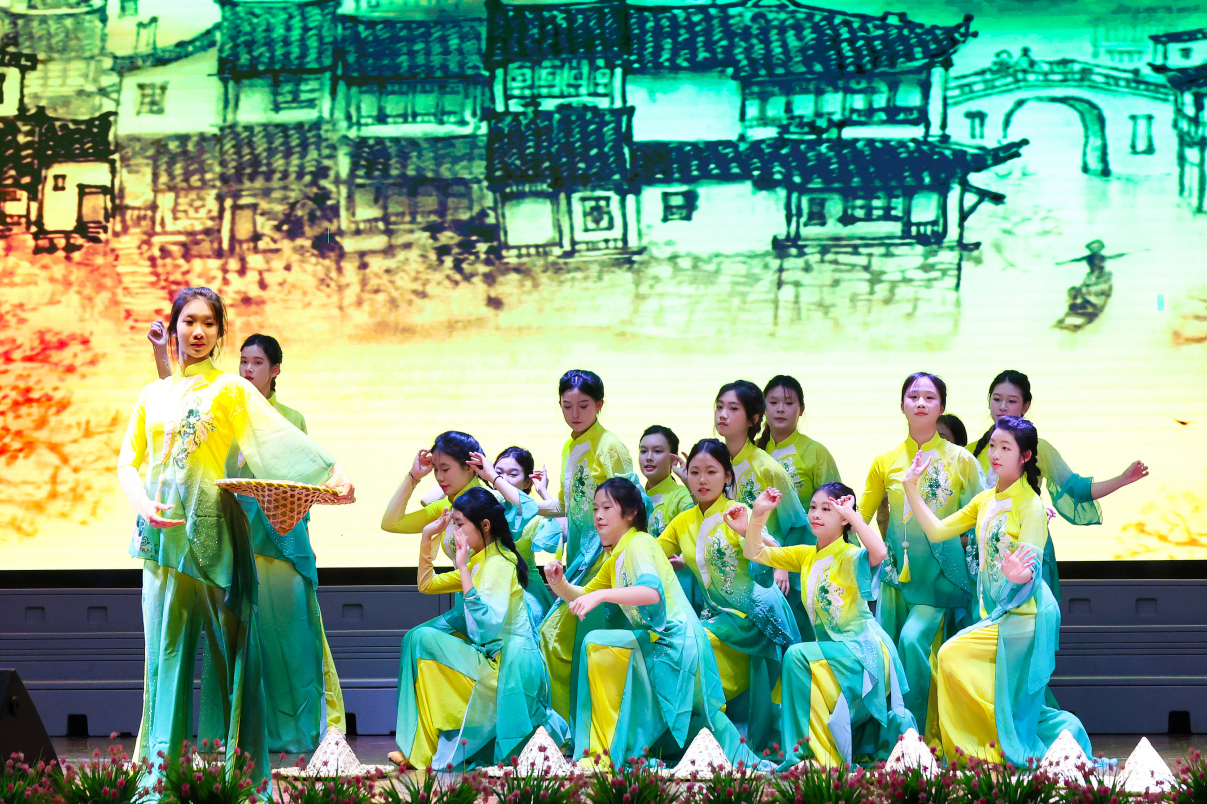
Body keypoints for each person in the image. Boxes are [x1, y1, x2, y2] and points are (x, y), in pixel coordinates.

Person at [118, 288, 353, 789]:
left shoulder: (231, 390)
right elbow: (128, 462)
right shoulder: (152, 394)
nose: (198, 331)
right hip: (161, 544)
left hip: (215, 537)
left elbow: (278, 442)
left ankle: (243, 781)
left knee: (234, 661)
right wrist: (141, 503)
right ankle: (159, 782)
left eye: (209, 323)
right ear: (174, 327)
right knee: (164, 661)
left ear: (220, 332)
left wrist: (331, 472)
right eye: (189, 321)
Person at [903, 416, 1091, 764]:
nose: (995, 454)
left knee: (951, 655)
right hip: (997, 616)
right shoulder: (985, 500)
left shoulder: (1031, 506)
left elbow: (1031, 569)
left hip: (1024, 617)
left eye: (1006, 447)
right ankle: (1059, 735)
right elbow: (937, 531)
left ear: (1025, 456)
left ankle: (974, 754)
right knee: (1008, 699)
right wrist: (910, 486)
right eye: (992, 446)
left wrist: (1018, 575)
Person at [544, 478, 764, 769]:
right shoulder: (618, 554)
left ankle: (606, 754)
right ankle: (609, 751)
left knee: (597, 643)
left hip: (675, 643)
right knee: (598, 643)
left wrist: (601, 596)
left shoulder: (639, 543)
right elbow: (583, 594)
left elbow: (650, 593)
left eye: (607, 508)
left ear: (631, 512)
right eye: (595, 508)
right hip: (662, 642)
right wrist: (559, 583)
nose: (598, 515)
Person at [731, 485, 914, 767]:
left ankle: (805, 755)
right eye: (813, 507)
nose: (816, 514)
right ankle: (816, 757)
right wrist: (758, 514)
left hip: (863, 650)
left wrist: (851, 514)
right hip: (834, 651)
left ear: (843, 519)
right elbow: (756, 553)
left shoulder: (850, 555)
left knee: (796, 655)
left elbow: (878, 553)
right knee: (802, 668)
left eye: (826, 509)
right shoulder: (806, 555)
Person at [390, 488, 567, 770]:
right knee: (416, 638)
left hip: (510, 669)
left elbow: (487, 627)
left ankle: (424, 749)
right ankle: (423, 747)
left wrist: (462, 568)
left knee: (422, 638)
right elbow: (427, 584)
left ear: (485, 525)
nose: (455, 533)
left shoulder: (498, 564)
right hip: (497, 660)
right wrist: (427, 537)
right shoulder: (481, 561)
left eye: (460, 524)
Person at [856, 372, 983, 732]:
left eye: (930, 397)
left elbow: (983, 511)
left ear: (942, 407)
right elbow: (861, 516)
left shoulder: (961, 460)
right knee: (891, 655)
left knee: (912, 641)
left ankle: (918, 736)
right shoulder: (886, 461)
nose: (921, 403)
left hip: (942, 577)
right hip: (898, 578)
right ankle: (897, 734)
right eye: (913, 397)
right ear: (902, 405)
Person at [655, 439, 800, 752]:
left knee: (695, 647)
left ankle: (721, 739)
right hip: (719, 616)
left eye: (711, 471)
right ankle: (704, 737)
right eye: (695, 472)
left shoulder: (737, 511)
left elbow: (770, 545)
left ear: (727, 476)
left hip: (755, 615)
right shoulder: (682, 522)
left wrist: (779, 565)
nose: (702, 479)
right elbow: (652, 553)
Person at [970, 370, 1148, 600]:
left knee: (1031, 617)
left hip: (1028, 549)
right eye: (997, 399)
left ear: (1025, 406)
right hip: (985, 555)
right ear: (989, 402)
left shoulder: (1040, 449)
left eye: (1012, 401)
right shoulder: (970, 453)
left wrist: (1123, 479)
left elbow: (1078, 491)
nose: (1002, 406)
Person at [535, 370, 646, 721]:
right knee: (569, 642)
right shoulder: (570, 446)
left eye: (583, 405)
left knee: (564, 638)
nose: (575, 413)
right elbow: (565, 505)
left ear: (599, 405)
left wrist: (619, 553)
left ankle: (573, 728)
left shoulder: (610, 446)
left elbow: (635, 502)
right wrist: (515, 501)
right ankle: (570, 727)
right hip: (580, 560)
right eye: (567, 405)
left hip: (605, 560)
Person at [757, 374, 841, 634]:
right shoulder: (754, 453)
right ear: (763, 409)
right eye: (773, 402)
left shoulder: (816, 453)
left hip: (807, 555)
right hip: (760, 556)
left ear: (801, 409)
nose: (780, 409)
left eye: (789, 402)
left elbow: (836, 508)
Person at [639, 425, 700, 612]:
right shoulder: (634, 496)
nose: (649, 457)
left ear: (673, 459)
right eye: (643, 451)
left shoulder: (682, 496)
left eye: (657, 451)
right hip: (645, 585)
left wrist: (689, 481)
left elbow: (700, 528)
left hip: (679, 586)